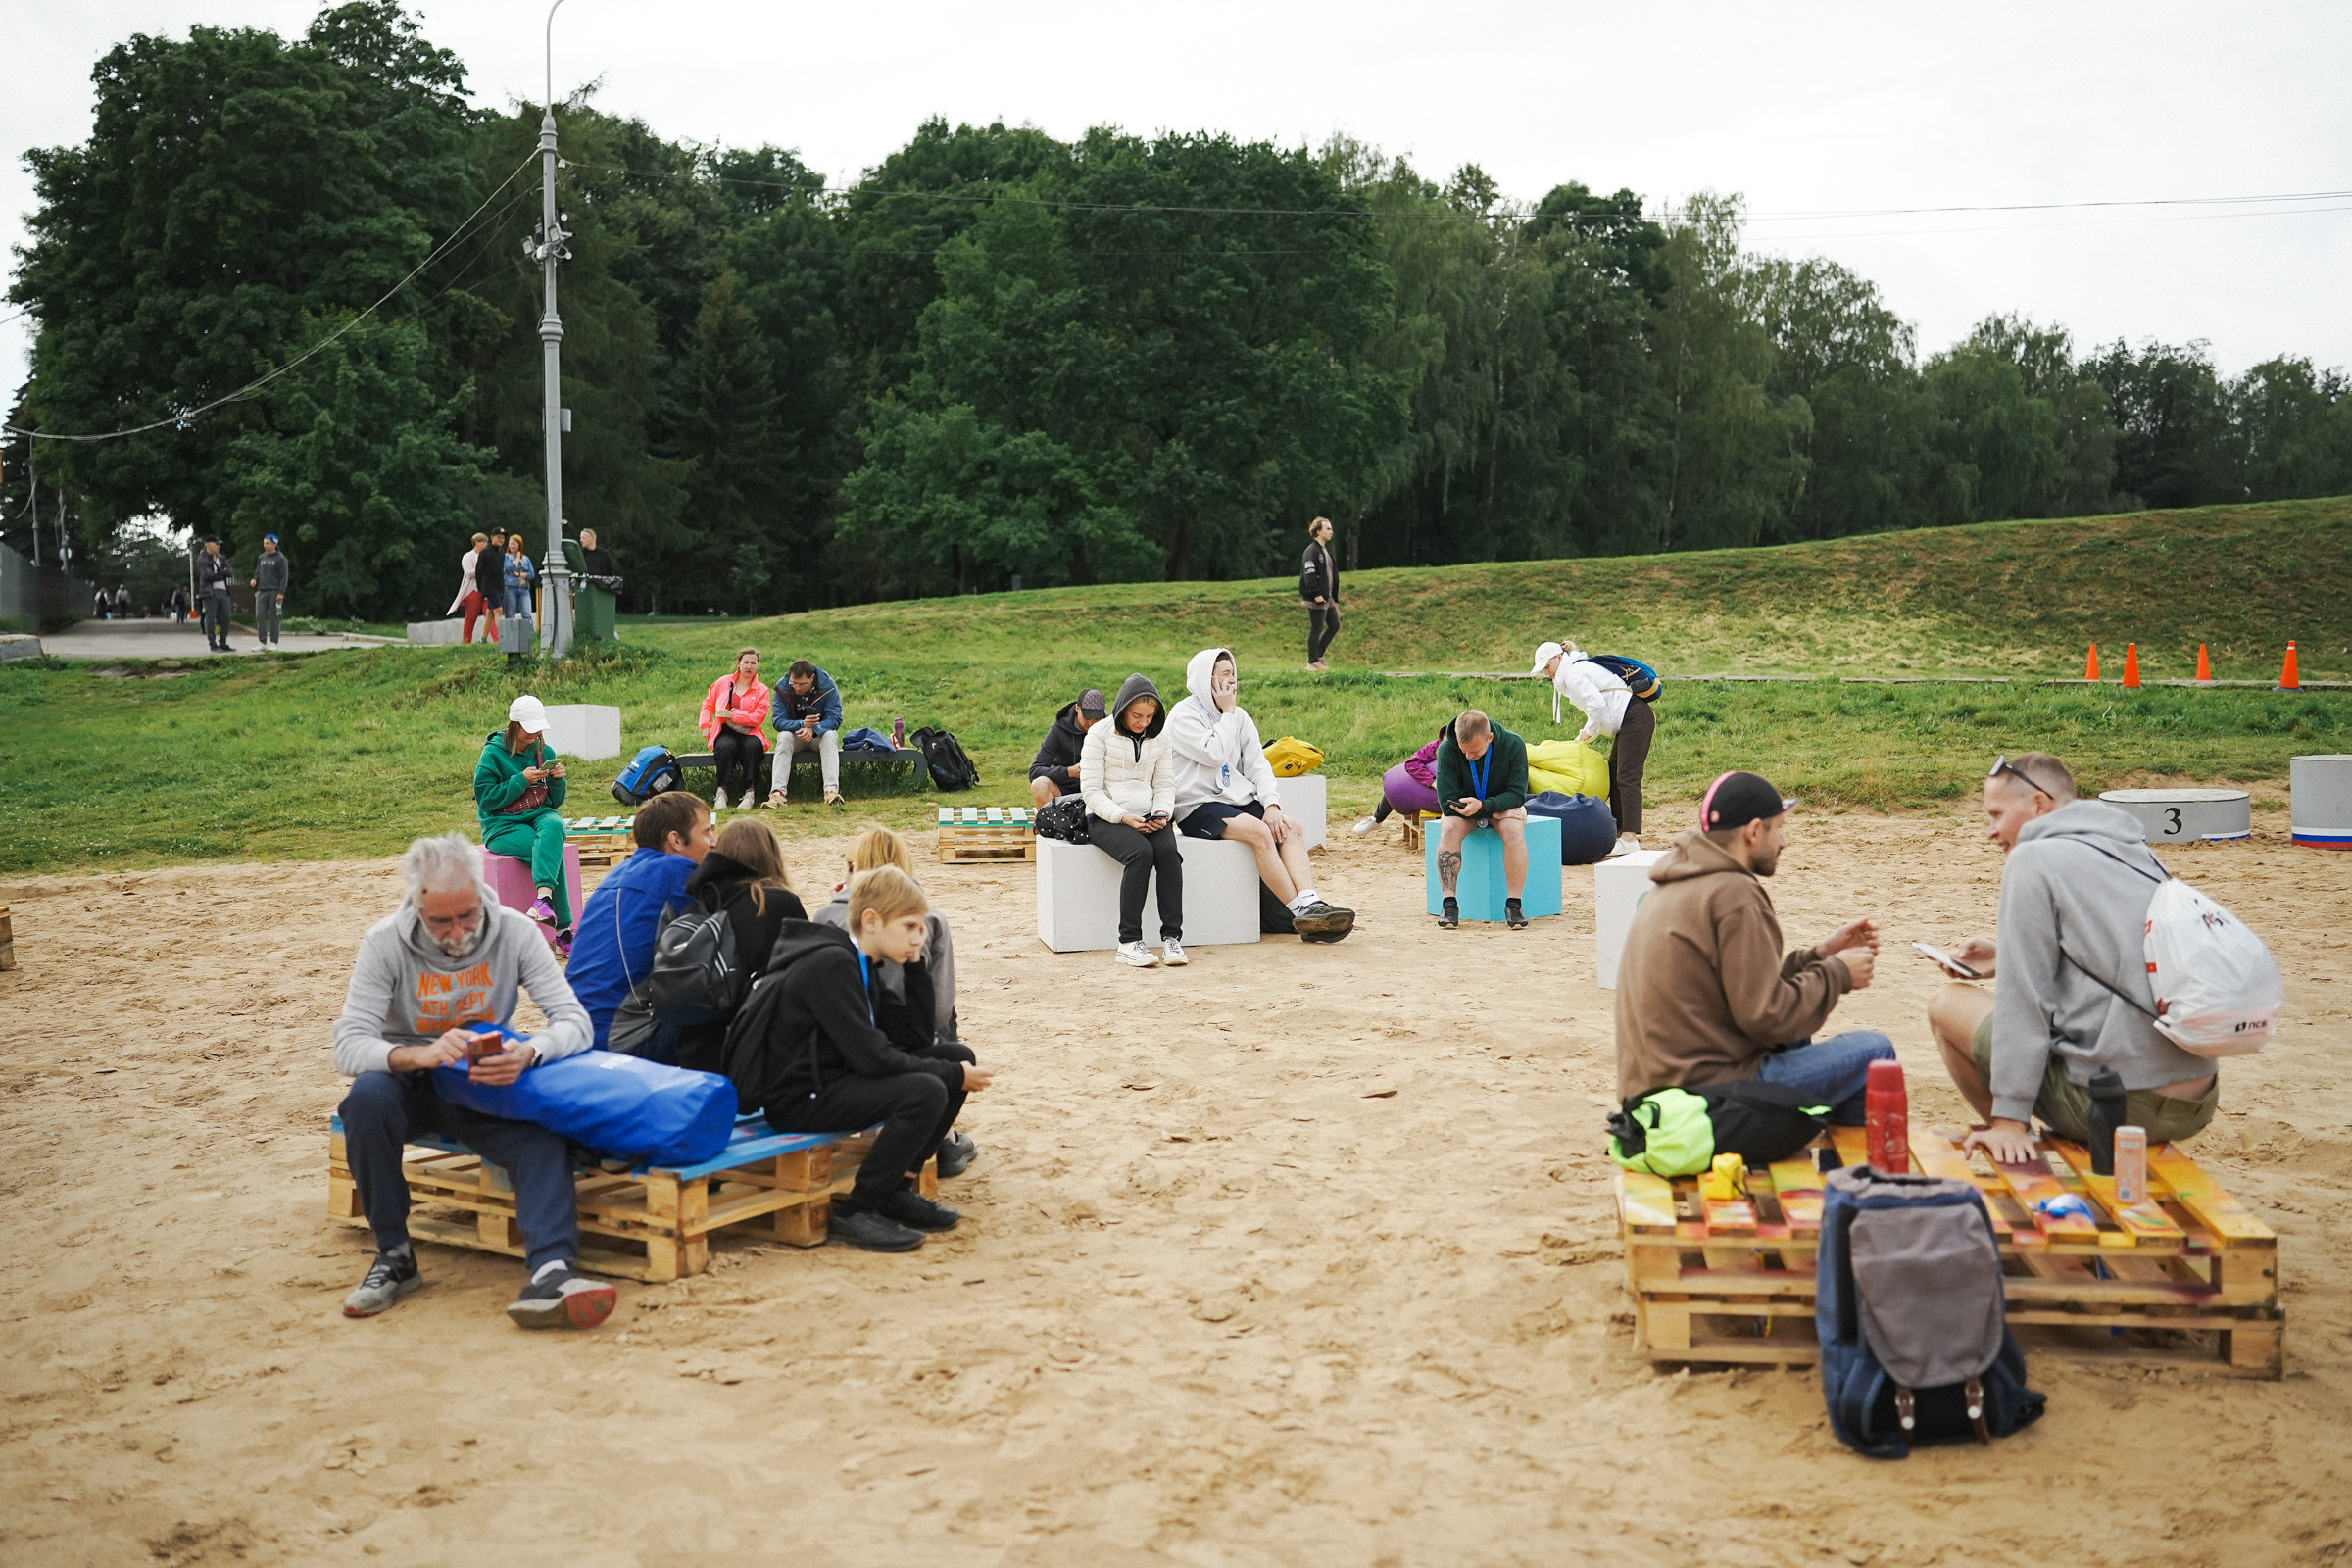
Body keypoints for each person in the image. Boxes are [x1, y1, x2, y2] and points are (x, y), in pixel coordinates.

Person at [333, 831, 613, 1329]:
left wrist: (530, 1052)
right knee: (366, 1099)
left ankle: (552, 1271)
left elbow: (575, 1022)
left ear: (482, 894)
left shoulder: (515, 931)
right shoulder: (384, 942)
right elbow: (349, 1047)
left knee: (541, 1137)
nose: (458, 931)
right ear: (416, 903)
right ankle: (394, 1255)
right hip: (412, 1084)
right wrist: (420, 1055)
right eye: (441, 921)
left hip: (484, 1078)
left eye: (468, 915)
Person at [1926, 753, 2220, 1162]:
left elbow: (2024, 1003)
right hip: (2197, 1098)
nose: (1991, 832)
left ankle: (2012, 1141)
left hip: (2115, 1107)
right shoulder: (2135, 849)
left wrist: (2010, 1118)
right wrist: (2006, 955)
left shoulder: (2031, 859)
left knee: (1947, 1004)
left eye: (1996, 815)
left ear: (2038, 805)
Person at [732, 866, 993, 1252]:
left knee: (956, 1054)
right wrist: (952, 1075)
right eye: (909, 927)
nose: (918, 936)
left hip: (835, 1079)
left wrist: (915, 965)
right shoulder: (831, 965)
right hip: (799, 1098)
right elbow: (873, 1059)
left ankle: (897, 1189)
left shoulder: (861, 963)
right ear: (871, 921)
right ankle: (858, 1210)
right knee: (927, 1089)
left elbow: (915, 1037)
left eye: (920, 928)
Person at [1613, 769, 1891, 1122]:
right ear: (1755, 831)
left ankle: (1793, 1147)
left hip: (1653, 1091)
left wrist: (1817, 957)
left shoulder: (1678, 882)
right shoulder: (1735, 894)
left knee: (1796, 1040)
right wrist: (1837, 973)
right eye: (1778, 829)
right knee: (1875, 1054)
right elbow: (1767, 1018)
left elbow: (1744, 993)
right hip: (1701, 1098)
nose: (1783, 842)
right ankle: (1831, 1160)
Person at [1168, 647, 1353, 940]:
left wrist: (1272, 805)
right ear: (1206, 679)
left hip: (1236, 800)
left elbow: (1258, 766)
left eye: (1233, 674)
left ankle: (1311, 902)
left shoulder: (1240, 717)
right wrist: (1228, 712)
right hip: (1197, 805)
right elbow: (1214, 754)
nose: (1232, 681)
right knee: (1260, 832)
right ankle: (1301, 915)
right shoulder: (1183, 715)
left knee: (1291, 828)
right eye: (1224, 675)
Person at [563, 791, 713, 1053]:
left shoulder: (616, 876)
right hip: (620, 1039)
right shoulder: (677, 871)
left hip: (575, 1031)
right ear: (676, 840)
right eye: (707, 832)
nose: (714, 841)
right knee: (738, 1004)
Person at [671, 816, 808, 1072]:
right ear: (771, 855)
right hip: (755, 1049)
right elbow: (805, 973)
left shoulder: (699, 903)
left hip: (698, 1050)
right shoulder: (777, 903)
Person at [1079, 674, 1187, 968]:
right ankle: (1128, 942)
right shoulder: (1098, 734)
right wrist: (1122, 816)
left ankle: (1172, 939)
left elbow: (1165, 784)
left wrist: (1162, 813)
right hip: (1105, 816)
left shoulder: (1160, 736)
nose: (1143, 722)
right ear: (1123, 708)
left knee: (1168, 853)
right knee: (1140, 853)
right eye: (1137, 716)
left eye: (1149, 716)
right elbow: (1091, 791)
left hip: (1149, 814)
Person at [1532, 640, 1651, 858]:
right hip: (1630, 719)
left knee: (1627, 777)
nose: (1546, 673)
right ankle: (1620, 833)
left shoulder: (1573, 674)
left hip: (1635, 717)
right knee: (1615, 773)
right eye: (1543, 670)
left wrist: (1589, 730)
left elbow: (1596, 704)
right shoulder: (1573, 671)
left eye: (1547, 666)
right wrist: (1586, 732)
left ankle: (1629, 838)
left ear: (1559, 657)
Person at [473, 694, 573, 951]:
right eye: (530, 729)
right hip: (502, 825)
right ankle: (563, 930)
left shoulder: (545, 752)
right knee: (549, 852)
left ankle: (543, 900)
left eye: (539, 728)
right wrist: (521, 780)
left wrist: (558, 780)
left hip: (539, 814)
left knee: (555, 825)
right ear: (514, 725)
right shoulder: (493, 754)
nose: (535, 734)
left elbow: (554, 803)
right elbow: (485, 799)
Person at [1431, 710, 1533, 929]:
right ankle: (1449, 904)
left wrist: (1487, 807)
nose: (1468, 756)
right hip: (1470, 810)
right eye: (1463, 750)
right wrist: (1489, 811)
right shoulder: (1447, 749)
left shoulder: (1514, 744)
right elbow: (1447, 802)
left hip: (1501, 808)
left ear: (1490, 738)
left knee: (1514, 829)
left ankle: (1514, 905)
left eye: (1475, 751)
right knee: (1448, 829)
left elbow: (1518, 795)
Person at [700, 647, 773, 810]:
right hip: (725, 730)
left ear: (758, 665)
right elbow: (708, 704)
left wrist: (734, 715)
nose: (749, 666)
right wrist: (706, 725)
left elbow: (758, 718)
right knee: (727, 746)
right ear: (738, 663)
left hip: (750, 731)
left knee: (753, 746)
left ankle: (750, 792)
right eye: (745, 662)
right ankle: (722, 791)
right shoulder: (723, 682)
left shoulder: (762, 690)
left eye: (753, 663)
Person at [771, 659, 844, 806]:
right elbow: (778, 721)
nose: (797, 688)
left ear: (812, 678)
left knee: (831, 735)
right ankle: (777, 795)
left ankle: (831, 792)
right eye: (794, 683)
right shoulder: (783, 686)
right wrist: (801, 724)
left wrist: (814, 729)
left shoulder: (828, 685)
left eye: (802, 684)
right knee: (783, 736)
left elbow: (835, 717)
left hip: (818, 736)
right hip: (795, 736)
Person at [1029, 687, 1108, 808]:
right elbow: (1034, 771)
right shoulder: (1058, 730)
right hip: (1066, 792)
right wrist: (1069, 772)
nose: (1091, 724)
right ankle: (1055, 820)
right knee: (1039, 784)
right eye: (1087, 718)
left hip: (1100, 793)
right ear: (1077, 708)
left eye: (1096, 719)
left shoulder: (1110, 728)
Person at [1352, 737, 1442, 834]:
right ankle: (1377, 819)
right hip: (1421, 785)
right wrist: (1432, 782)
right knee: (1398, 781)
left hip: (1441, 799)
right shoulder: (1437, 745)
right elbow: (1412, 763)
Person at [1300, 515, 1341, 670]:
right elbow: (1309, 574)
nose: (1331, 532)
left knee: (1334, 625)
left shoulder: (1325, 552)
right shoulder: (1312, 551)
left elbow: (1332, 576)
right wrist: (1316, 593)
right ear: (1318, 531)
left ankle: (1319, 655)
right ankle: (1312, 662)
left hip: (1328, 597)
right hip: (1317, 597)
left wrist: (1334, 597)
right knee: (1317, 627)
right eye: (1328, 529)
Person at [196, 537, 236, 652]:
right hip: (210, 592)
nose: (218, 546)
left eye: (219, 544)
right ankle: (212, 644)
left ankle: (223, 643)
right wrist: (222, 573)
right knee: (211, 618)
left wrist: (218, 572)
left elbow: (230, 572)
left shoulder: (222, 558)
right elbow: (207, 575)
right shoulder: (202, 559)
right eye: (216, 544)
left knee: (226, 618)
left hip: (223, 591)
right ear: (208, 545)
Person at [251, 534, 289, 648]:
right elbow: (257, 572)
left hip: (275, 591)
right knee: (260, 616)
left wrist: (281, 592)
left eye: (267, 543)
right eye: (264, 543)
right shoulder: (261, 557)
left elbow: (283, 577)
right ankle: (262, 642)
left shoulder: (281, 559)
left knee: (274, 617)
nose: (265, 545)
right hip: (261, 590)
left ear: (274, 544)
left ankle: (273, 642)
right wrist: (255, 579)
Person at [451, 531, 488, 643]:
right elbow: (469, 573)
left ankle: (497, 641)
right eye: (484, 542)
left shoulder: (487, 556)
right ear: (477, 542)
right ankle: (467, 642)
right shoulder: (468, 556)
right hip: (473, 590)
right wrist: (483, 569)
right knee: (471, 617)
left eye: (487, 542)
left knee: (490, 615)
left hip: (487, 589)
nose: (486, 544)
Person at [474, 529, 508, 645]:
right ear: (492, 537)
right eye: (498, 537)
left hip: (499, 586)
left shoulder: (501, 553)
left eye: (502, 538)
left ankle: (483, 639)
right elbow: (479, 571)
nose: (501, 540)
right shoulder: (485, 552)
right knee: (498, 610)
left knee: (490, 613)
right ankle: (504, 639)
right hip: (489, 586)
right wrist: (480, 588)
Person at [502, 534, 537, 636]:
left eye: (515, 544)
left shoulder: (525, 559)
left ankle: (530, 637)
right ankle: (510, 637)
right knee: (510, 615)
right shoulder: (505, 557)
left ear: (519, 545)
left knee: (527, 614)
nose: (512, 546)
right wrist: (517, 559)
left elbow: (532, 574)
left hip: (524, 589)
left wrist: (519, 574)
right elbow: (510, 567)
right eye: (511, 544)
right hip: (510, 588)